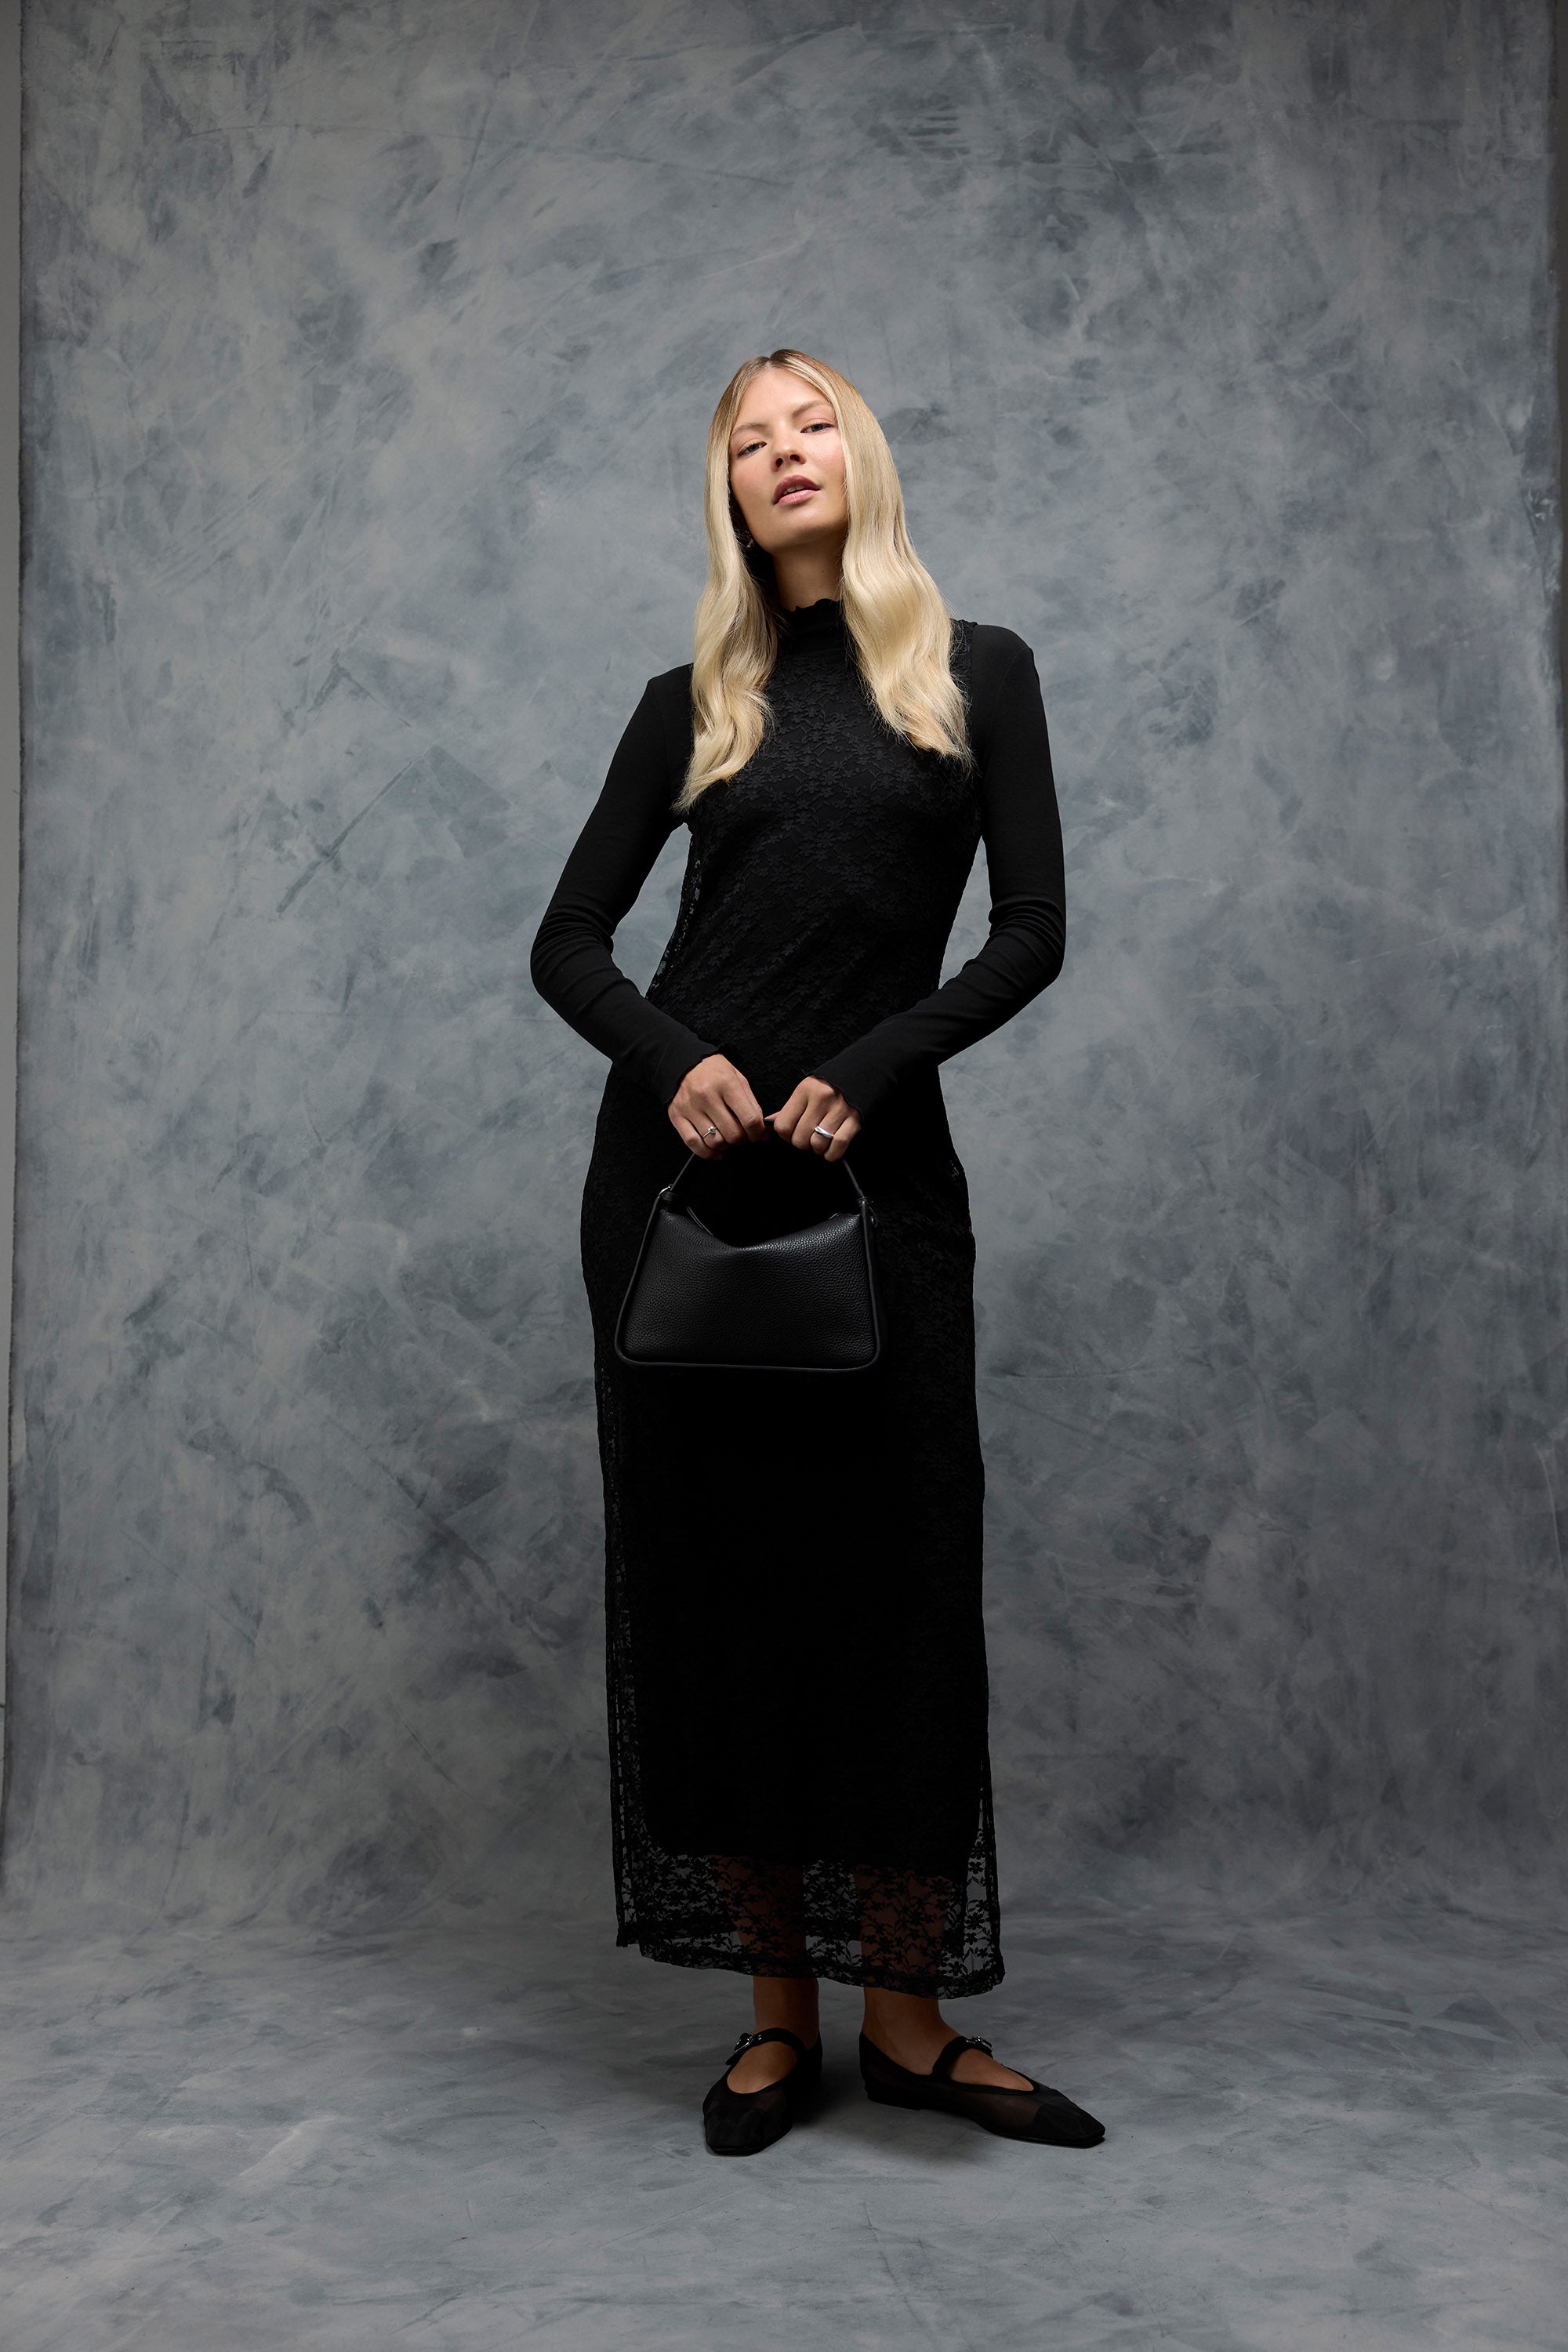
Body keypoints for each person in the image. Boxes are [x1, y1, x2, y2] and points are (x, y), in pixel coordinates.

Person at [530, 347, 1104, 2158]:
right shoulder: (690, 696)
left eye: (812, 424)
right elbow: (566, 942)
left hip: (877, 1184)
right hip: (684, 1197)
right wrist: (677, 1058)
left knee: (896, 1590)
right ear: (723, 488)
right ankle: (778, 2021)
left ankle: (915, 2024)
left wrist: (869, 1065)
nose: (785, 453)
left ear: (862, 453)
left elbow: (1028, 934)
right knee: (724, 1596)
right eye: (748, 439)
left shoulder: (973, 674)